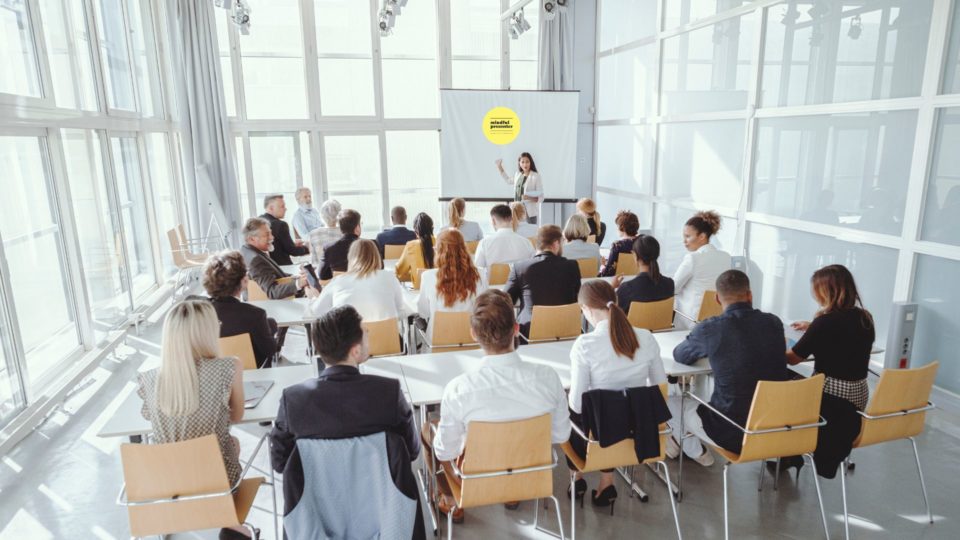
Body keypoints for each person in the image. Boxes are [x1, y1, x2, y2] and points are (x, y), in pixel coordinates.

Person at [269, 305, 423, 537]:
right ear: (355, 350)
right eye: (365, 332)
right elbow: (411, 451)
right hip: (387, 521)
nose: (369, 334)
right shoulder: (387, 393)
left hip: (316, 524)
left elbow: (280, 463)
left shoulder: (294, 400)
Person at [425, 290, 570, 522]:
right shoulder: (548, 378)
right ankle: (512, 494)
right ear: (516, 329)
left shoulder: (459, 389)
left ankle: (452, 501)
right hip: (532, 475)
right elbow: (562, 434)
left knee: (429, 431)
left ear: (473, 334)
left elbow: (445, 452)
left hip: (477, 480)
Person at [137, 300, 251, 539]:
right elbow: (237, 415)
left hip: (166, 484)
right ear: (206, 333)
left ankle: (183, 517)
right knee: (232, 445)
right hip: (217, 480)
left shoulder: (149, 379)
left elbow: (150, 417)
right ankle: (228, 522)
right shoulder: (228, 367)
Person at [667, 270, 790, 466]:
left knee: (670, 400)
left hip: (731, 433)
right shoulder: (773, 323)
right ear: (750, 294)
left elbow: (681, 355)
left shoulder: (711, 328)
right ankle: (680, 443)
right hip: (774, 427)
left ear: (717, 298)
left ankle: (695, 451)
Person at [567, 280, 667, 506]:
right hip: (638, 433)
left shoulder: (585, 344)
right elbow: (660, 388)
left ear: (588, 309)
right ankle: (607, 483)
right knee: (615, 408)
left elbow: (577, 405)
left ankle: (577, 478)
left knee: (575, 410)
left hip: (600, 436)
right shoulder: (646, 337)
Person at [784, 265, 875, 477]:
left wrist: (773, 343)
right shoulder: (865, 317)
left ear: (826, 291)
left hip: (832, 400)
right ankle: (790, 454)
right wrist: (812, 327)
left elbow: (793, 359)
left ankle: (787, 451)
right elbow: (843, 336)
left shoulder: (825, 323)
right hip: (859, 395)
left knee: (781, 382)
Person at [203, 250, 278, 368]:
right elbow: (270, 350)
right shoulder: (255, 315)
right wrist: (271, 326)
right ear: (244, 280)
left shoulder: (200, 311)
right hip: (254, 374)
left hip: (213, 374)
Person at [505, 225, 581, 338]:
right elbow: (576, 297)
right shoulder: (572, 266)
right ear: (556, 244)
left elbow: (506, 300)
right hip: (567, 328)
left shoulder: (520, 267)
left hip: (530, 332)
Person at [307, 239, 405, 323]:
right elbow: (400, 309)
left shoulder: (338, 282)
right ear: (377, 256)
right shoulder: (389, 277)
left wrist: (314, 297)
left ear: (351, 257)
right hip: (387, 343)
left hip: (350, 343)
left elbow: (316, 312)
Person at [417, 229, 486, 340]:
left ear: (439, 251)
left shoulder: (427, 276)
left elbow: (423, 312)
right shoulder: (481, 274)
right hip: (472, 339)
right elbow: (484, 308)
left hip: (438, 342)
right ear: (463, 248)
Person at [673, 210, 731, 326]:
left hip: (690, 320)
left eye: (688, 236)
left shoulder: (693, 259)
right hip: (717, 318)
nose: (684, 241)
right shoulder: (726, 257)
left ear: (702, 236)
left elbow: (673, 288)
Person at [239, 217, 308, 299]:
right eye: (267, 234)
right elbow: (272, 291)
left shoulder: (247, 251)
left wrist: (296, 278)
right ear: (252, 239)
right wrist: (299, 283)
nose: (272, 237)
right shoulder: (255, 260)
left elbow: (274, 276)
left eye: (271, 233)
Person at [614, 235, 675, 312]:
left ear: (635, 256)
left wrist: (611, 288)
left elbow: (613, 314)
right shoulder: (669, 284)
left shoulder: (627, 288)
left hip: (631, 324)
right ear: (657, 255)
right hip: (663, 324)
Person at [473, 204, 535, 268]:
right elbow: (533, 266)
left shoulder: (484, 243)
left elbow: (478, 268)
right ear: (512, 219)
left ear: (493, 221)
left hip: (494, 278)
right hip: (520, 277)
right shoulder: (526, 242)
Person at [260, 194, 309, 266]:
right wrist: (308, 248)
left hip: (271, 266)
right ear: (271, 208)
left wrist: (292, 244)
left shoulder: (259, 221)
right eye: (282, 206)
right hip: (284, 268)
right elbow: (293, 251)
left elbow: (278, 245)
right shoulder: (280, 225)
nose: (285, 209)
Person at [496, 152, 543, 224]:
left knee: (530, 233)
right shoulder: (518, 175)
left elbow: (541, 197)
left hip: (529, 212)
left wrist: (528, 197)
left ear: (531, 162)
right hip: (517, 210)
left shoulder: (535, 176)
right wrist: (500, 167)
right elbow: (508, 180)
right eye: (522, 162)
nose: (525, 164)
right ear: (519, 163)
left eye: (527, 162)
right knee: (517, 232)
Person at [318, 209, 362, 280]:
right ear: (357, 228)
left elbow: (322, 276)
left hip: (341, 288)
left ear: (340, 228)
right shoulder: (371, 245)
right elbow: (380, 269)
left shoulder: (329, 248)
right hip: (366, 288)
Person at [394, 212, 435, 284]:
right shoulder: (442, 242)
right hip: (440, 290)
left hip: (419, 290)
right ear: (432, 228)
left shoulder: (411, 246)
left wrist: (413, 270)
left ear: (416, 231)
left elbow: (399, 272)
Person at [599, 211, 641, 277]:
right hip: (637, 279)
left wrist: (602, 266)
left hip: (618, 281)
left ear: (622, 227)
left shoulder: (617, 246)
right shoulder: (643, 241)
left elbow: (608, 273)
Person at [309, 199, 343, 265]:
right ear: (339, 214)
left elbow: (314, 262)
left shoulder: (313, 234)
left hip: (322, 273)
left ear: (321, 214)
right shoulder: (345, 232)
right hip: (342, 273)